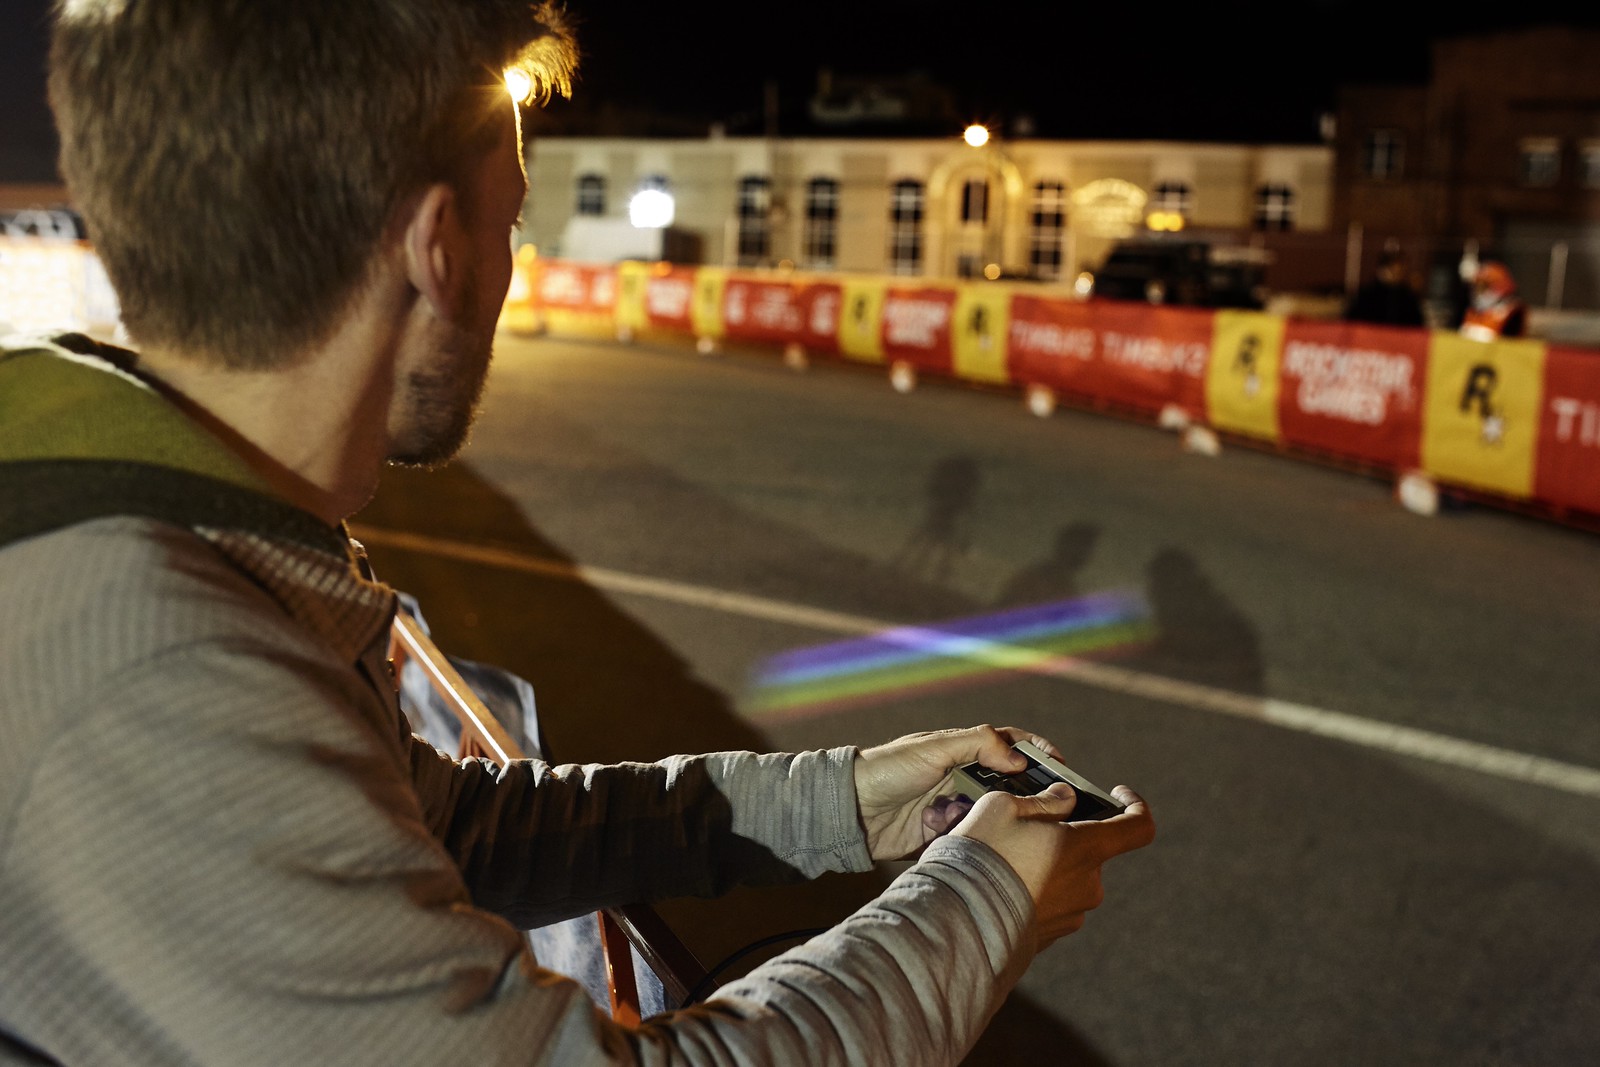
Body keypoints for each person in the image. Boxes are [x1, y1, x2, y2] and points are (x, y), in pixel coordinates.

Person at [0, 3, 1155, 1065]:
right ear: (437, 245)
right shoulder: (158, 665)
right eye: (512, 222)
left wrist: (842, 798)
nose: (509, 269)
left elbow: (445, 828)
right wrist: (984, 902)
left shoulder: (126, 507)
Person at [1344, 248, 1425, 328]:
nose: (1395, 276)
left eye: (1399, 272)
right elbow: (1352, 323)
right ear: (1380, 270)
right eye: (1392, 271)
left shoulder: (1407, 298)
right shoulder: (1367, 295)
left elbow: (1416, 326)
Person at [1460, 259, 1528, 341]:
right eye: (1476, 287)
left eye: (1483, 287)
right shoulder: (1471, 311)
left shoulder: (1511, 312)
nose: (1478, 293)